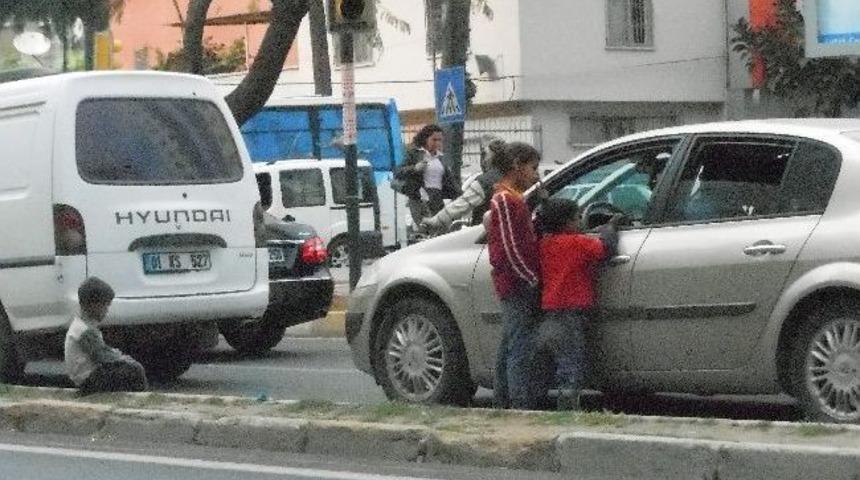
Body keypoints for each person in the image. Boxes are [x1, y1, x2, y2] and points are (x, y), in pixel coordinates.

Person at [535, 198, 620, 410]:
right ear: (566, 222)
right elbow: (606, 248)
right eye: (576, 217)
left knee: (553, 366)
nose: (580, 221)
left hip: (549, 314)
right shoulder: (577, 243)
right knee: (571, 367)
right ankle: (567, 410)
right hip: (572, 315)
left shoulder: (544, 244)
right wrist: (611, 226)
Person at [486, 141, 543, 409]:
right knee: (519, 344)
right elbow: (510, 246)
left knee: (510, 340)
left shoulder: (514, 199)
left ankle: (502, 398)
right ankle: (520, 402)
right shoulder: (506, 200)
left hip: (516, 279)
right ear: (517, 167)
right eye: (533, 168)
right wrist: (529, 277)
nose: (535, 174)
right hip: (515, 282)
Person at [65, 277, 148, 395]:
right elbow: (102, 355)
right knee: (135, 370)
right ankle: (140, 398)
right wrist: (123, 359)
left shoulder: (83, 325)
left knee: (129, 368)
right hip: (89, 379)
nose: (107, 310)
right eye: (105, 306)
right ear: (92, 305)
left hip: (90, 377)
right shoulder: (83, 330)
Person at [420, 138, 505, 233]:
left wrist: (436, 220)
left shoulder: (485, 181)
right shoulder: (512, 176)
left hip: (485, 234)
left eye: (485, 154)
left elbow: (462, 204)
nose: (484, 159)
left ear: (493, 156)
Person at [395, 124, 460, 225]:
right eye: (434, 140)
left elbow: (450, 181)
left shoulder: (441, 157)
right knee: (427, 229)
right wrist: (415, 168)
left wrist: (462, 196)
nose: (437, 143)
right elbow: (398, 172)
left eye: (440, 140)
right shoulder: (415, 153)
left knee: (441, 229)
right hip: (420, 199)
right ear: (425, 139)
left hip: (437, 198)